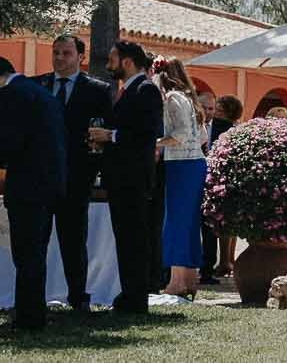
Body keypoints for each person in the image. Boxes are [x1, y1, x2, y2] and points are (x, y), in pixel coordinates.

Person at [34, 32, 113, 316]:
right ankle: (32, 300)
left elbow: (103, 134)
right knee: (35, 242)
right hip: (40, 179)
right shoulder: (37, 86)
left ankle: (78, 298)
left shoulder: (98, 90)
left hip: (76, 179)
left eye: (66, 53)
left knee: (73, 241)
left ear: (80, 57)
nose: (59, 58)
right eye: (56, 52)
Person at [88, 41, 164, 315]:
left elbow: (147, 133)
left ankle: (136, 298)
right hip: (120, 177)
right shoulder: (126, 91)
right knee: (125, 238)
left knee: (135, 239)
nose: (108, 64)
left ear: (128, 62)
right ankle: (129, 293)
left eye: (112, 59)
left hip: (134, 178)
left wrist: (111, 136)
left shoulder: (146, 90)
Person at [0, 57, 67, 332]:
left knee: (25, 253)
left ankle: (28, 318)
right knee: (36, 252)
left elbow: (9, 141)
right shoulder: (41, 93)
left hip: (27, 184)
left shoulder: (12, 95)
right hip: (49, 183)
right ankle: (33, 312)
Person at [152, 56, 205, 304]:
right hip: (195, 163)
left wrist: (155, 143)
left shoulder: (172, 98)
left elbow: (180, 134)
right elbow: (201, 135)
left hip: (180, 164)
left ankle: (175, 282)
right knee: (189, 222)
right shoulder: (190, 98)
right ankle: (190, 279)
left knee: (174, 222)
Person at [206, 95, 243, 283]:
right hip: (223, 177)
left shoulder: (224, 128)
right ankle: (226, 260)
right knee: (226, 223)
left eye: (220, 111)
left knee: (224, 223)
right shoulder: (232, 129)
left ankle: (226, 260)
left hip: (222, 178)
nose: (216, 114)